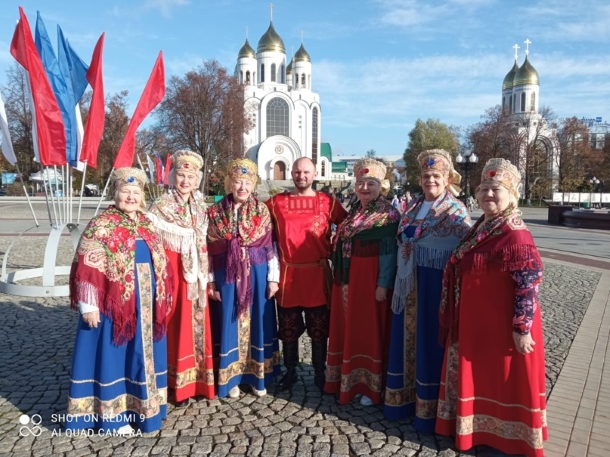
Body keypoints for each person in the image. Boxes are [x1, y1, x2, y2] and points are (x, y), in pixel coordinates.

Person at [435, 158, 547, 456]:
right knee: (481, 377)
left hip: (501, 326)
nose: (488, 195)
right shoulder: (484, 226)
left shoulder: (515, 233)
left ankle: (506, 438)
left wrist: (521, 328)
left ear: (512, 194)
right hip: (477, 322)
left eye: (496, 189)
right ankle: (477, 431)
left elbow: (528, 284)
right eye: (483, 188)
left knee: (502, 379)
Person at [66, 167, 173, 435]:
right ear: (116, 193)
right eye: (126, 192)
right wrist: (88, 305)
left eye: (136, 192)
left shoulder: (148, 222)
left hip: (146, 306)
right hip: (114, 308)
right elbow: (86, 267)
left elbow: (160, 260)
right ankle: (112, 417)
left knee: (141, 355)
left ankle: (145, 409)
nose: (131, 197)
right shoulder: (102, 224)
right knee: (114, 357)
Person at [384, 149, 470, 431]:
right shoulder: (410, 207)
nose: (430, 179)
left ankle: (429, 408)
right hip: (407, 284)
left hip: (435, 287)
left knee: (430, 342)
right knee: (406, 340)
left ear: (447, 179)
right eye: (426, 176)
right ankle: (402, 400)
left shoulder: (456, 212)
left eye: (436, 175)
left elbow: (463, 253)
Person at [266, 157, 347, 392]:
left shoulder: (328, 202)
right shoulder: (276, 203)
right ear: (292, 173)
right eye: (297, 172)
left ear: (314, 174)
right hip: (288, 274)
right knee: (288, 328)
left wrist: (334, 248)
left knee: (319, 328)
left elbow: (348, 226)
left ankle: (320, 373)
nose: (302, 176)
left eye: (306, 172)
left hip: (317, 274)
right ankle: (290, 372)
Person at [325, 158, 400, 406]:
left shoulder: (387, 215)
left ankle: (369, 386)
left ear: (382, 186)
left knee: (368, 329)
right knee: (350, 328)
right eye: (361, 182)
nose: (365, 187)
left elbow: (389, 254)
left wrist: (383, 284)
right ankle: (349, 380)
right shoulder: (355, 211)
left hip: (370, 282)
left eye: (371, 183)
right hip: (348, 281)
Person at [207, 158, 281, 398]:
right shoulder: (215, 213)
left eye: (247, 183)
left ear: (253, 185)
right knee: (229, 324)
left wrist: (273, 278)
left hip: (258, 276)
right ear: (229, 183)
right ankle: (232, 379)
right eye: (237, 182)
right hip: (226, 276)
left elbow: (270, 247)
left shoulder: (262, 211)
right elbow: (207, 250)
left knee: (258, 325)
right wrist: (210, 281)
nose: (242, 188)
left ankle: (258, 377)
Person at [148, 150, 214, 404]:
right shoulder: (161, 207)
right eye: (181, 175)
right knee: (174, 325)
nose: (185, 181)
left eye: (190, 176)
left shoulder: (200, 206)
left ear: (197, 180)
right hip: (173, 274)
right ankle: (174, 384)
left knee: (196, 326)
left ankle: (196, 383)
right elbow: (152, 243)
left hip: (197, 277)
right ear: (172, 177)